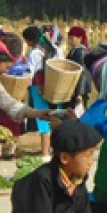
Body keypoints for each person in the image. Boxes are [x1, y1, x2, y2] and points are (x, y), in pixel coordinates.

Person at [23, 25, 64, 162]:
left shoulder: (34, 53)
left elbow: (30, 73)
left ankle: (45, 154)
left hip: (38, 87)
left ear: (29, 41)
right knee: (56, 118)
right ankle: (58, 150)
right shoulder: (57, 50)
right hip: (56, 87)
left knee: (43, 119)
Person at [67, 26, 93, 110]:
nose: (70, 40)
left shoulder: (81, 52)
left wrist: (79, 93)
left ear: (80, 38)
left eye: (72, 38)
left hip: (79, 90)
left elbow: (83, 73)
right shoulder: (74, 51)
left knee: (79, 116)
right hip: (74, 88)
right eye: (69, 38)